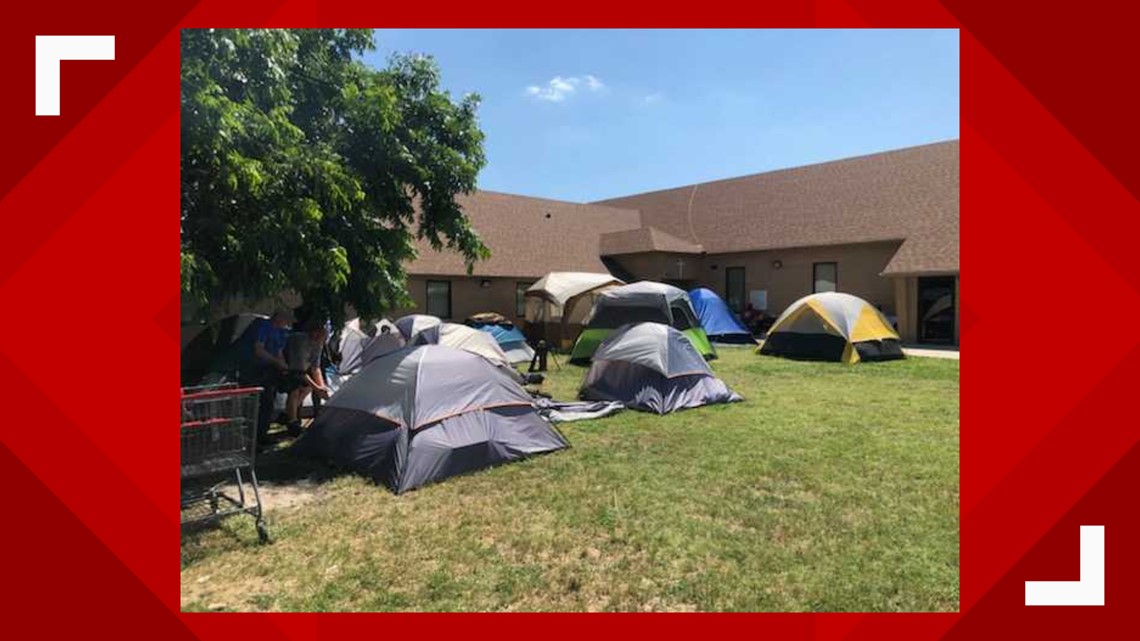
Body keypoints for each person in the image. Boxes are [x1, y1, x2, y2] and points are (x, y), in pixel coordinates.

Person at [240, 308, 293, 445]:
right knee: (253, 404)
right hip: (253, 371)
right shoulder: (263, 326)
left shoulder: (281, 332)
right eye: (286, 319)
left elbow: (279, 352)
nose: (287, 323)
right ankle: (250, 438)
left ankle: (261, 435)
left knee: (268, 403)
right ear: (279, 318)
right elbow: (259, 350)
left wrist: (284, 366)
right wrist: (277, 362)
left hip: (269, 372)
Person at [282, 320, 331, 437]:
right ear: (313, 332)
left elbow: (315, 367)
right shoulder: (300, 341)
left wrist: (321, 387)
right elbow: (299, 370)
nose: (321, 338)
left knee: (308, 388)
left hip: (298, 369)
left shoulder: (319, 342)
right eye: (319, 334)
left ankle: (286, 414)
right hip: (284, 366)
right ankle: (292, 423)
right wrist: (318, 388)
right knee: (294, 389)